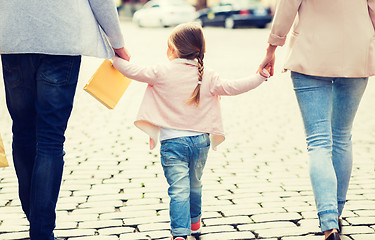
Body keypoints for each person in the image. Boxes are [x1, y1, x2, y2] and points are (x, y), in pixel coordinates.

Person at [112, 22, 270, 240]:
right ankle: (194, 224)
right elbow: (234, 87)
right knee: (195, 185)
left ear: (174, 50)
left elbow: (131, 70)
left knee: (178, 190)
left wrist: (113, 57)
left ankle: (179, 234)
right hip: (200, 143)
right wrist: (260, 77)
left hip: (173, 144)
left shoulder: (160, 71)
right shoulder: (208, 75)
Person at [0, 1, 130, 239]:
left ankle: (36, 219)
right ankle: (41, 229)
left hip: (12, 35)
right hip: (62, 37)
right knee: (50, 138)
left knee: (23, 131)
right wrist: (117, 41)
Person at [258, 1, 375, 240]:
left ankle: (329, 222)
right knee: (342, 137)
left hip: (309, 53)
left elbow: (287, 8)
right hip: (356, 50)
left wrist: (271, 50)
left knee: (319, 142)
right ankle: (337, 213)